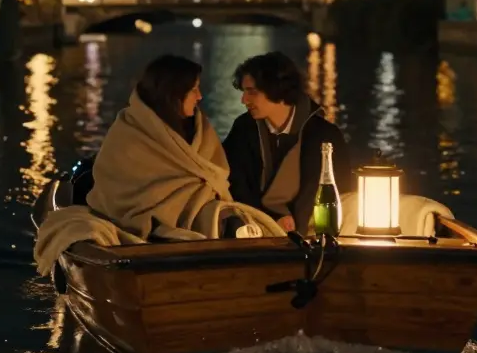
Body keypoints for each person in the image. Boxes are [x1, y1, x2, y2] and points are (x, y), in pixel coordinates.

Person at [82, 54, 282, 242]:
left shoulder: (200, 130)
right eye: (194, 89)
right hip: (154, 219)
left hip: (203, 213)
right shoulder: (129, 132)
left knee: (230, 220)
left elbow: (215, 175)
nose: (200, 96)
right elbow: (124, 193)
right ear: (174, 93)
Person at [223, 51, 352, 235]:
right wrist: (272, 219)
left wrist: (295, 225)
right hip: (254, 225)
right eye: (244, 92)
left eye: (252, 92)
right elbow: (235, 182)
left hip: (310, 231)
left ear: (277, 89)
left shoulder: (324, 134)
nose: (244, 100)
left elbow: (336, 188)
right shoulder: (244, 128)